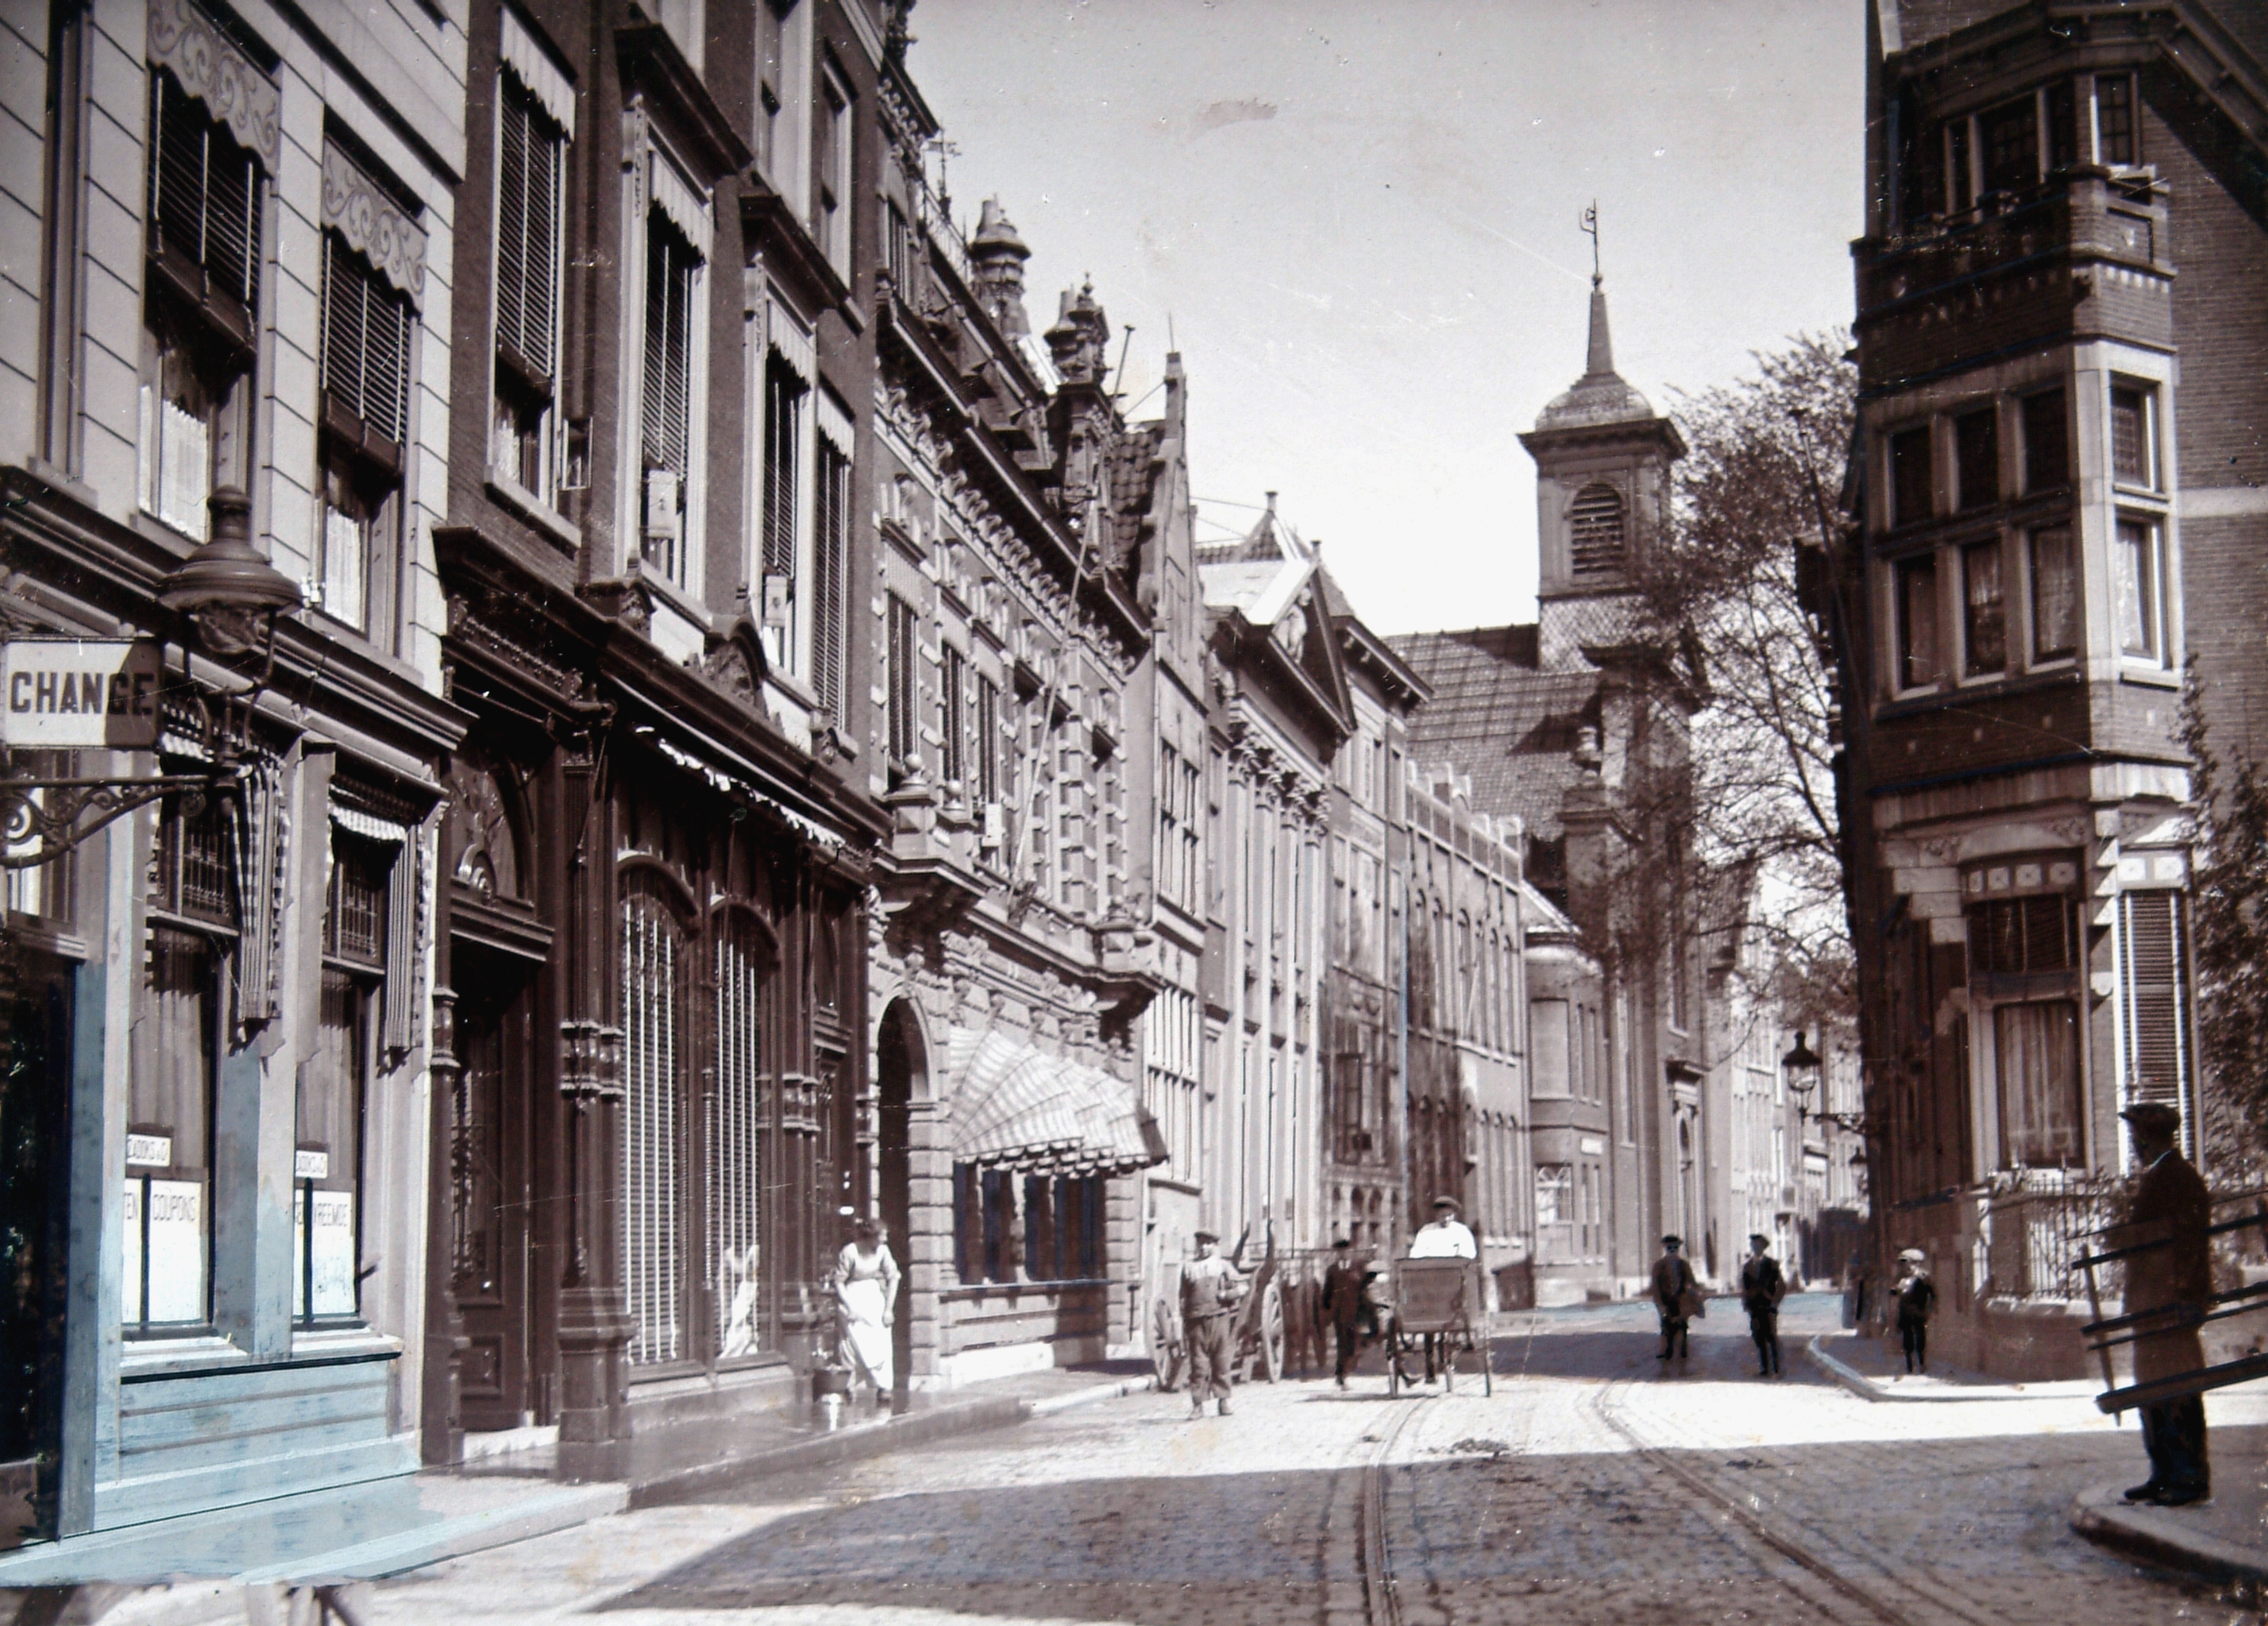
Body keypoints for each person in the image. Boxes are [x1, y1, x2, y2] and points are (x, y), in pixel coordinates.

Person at [2117, 1101, 2214, 1507]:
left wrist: (2187, 1297)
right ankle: (2162, 1473)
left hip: (2171, 1302)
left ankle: (2189, 1477)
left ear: (2148, 1139)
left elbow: (2190, 1245)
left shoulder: (2178, 1178)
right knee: (2152, 1389)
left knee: (2177, 1390)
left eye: (2136, 1137)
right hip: (2152, 1303)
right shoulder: (2159, 1176)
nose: (2134, 1145)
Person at [834, 1219, 901, 1404]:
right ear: (870, 1236)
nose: (885, 1240)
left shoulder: (883, 1251)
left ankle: (884, 1386)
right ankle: (849, 1386)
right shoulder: (850, 1251)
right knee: (852, 1343)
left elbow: (894, 1277)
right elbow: (839, 1281)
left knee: (881, 1342)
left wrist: (888, 1309)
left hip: (874, 1299)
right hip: (854, 1297)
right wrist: (849, 1306)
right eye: (881, 1236)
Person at [1180, 1228, 1245, 1417]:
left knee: (1221, 1362)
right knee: (1198, 1364)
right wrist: (1184, 1320)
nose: (1203, 1247)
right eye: (1200, 1243)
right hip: (1196, 1321)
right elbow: (1183, 1297)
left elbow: (1243, 1288)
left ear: (1214, 1246)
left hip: (1219, 1318)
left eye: (1208, 1244)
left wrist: (1227, 1295)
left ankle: (1223, 1401)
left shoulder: (1223, 1266)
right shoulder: (1188, 1268)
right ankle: (1198, 1405)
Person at [1321, 1238, 1367, 1389]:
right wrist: (1327, 1311)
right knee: (1342, 1344)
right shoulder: (1332, 1270)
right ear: (1337, 1253)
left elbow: (1363, 1288)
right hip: (1339, 1314)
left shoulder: (1357, 1268)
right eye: (1340, 1252)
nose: (1343, 1254)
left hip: (1355, 1312)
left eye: (1346, 1251)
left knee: (1353, 1343)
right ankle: (1340, 1375)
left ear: (1350, 1252)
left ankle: (1346, 1369)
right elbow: (1327, 1292)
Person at [1740, 1234, 1787, 1377]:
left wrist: (1775, 1302)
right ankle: (1764, 1368)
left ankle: (1777, 1368)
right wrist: (1746, 1304)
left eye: (1758, 1245)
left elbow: (1781, 1285)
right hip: (1754, 1307)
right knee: (1758, 1337)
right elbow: (1745, 1287)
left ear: (1763, 1247)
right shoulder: (1747, 1266)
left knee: (1771, 1337)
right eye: (1753, 1245)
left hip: (1768, 1307)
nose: (1755, 1248)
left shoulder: (1771, 1264)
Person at [1651, 1235, 1698, 1363]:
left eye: (1675, 1248)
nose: (1672, 1250)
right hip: (1665, 1300)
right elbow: (1655, 1287)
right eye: (1669, 1248)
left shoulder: (1684, 1265)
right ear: (1665, 1249)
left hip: (1681, 1300)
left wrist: (1695, 1295)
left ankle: (1682, 1350)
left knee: (1682, 1325)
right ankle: (1667, 1350)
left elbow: (1692, 1281)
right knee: (1666, 1325)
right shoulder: (1659, 1266)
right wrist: (1659, 1304)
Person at [1894, 1249, 1935, 1375]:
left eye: (1906, 1262)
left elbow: (1932, 1293)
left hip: (1919, 1312)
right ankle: (1909, 1365)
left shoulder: (1923, 1277)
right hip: (1905, 1312)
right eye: (1902, 1263)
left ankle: (1922, 1363)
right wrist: (1897, 1290)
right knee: (1907, 1340)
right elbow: (1894, 1292)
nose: (1904, 1266)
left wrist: (1930, 1309)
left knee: (1920, 1338)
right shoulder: (1901, 1277)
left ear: (1915, 1263)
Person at [1408, 1195, 1478, 1259]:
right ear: (1436, 1214)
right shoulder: (1426, 1231)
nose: (1446, 1219)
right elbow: (1416, 1255)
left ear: (1454, 1214)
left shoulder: (1462, 1231)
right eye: (1443, 1215)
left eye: (1449, 1215)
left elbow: (1468, 1255)